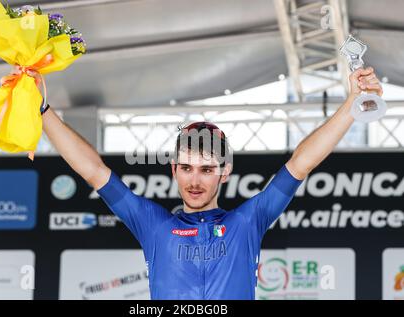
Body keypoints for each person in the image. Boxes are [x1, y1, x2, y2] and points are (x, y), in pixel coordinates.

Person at [42, 67, 382, 299]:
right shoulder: (153, 226)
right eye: (187, 168)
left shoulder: (247, 222)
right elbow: (94, 171)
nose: (194, 180)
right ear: (173, 169)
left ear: (225, 171)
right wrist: (42, 110)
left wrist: (352, 106)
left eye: (207, 170)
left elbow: (300, 164)